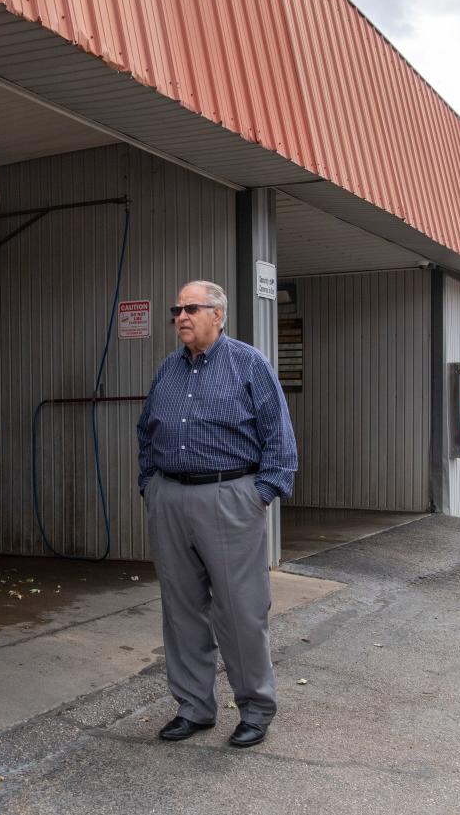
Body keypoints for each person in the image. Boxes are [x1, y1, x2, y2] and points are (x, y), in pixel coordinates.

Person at [136, 280, 298, 748]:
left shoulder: (250, 364)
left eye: (191, 308)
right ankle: (193, 707)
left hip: (230, 498)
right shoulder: (167, 370)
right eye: (176, 309)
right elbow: (146, 431)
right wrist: (151, 485)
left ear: (218, 315)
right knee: (181, 609)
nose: (181, 317)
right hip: (170, 498)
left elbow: (279, 438)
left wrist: (259, 494)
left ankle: (255, 709)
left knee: (240, 610)